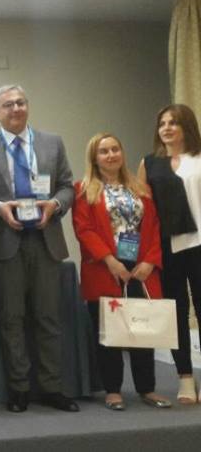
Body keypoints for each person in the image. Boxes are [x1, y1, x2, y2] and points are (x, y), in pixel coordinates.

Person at [0, 84, 78, 413]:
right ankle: (19, 388)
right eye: (8, 105)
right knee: (11, 319)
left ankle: (52, 387)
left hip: (46, 239)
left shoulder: (52, 142)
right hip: (6, 242)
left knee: (48, 318)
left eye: (20, 102)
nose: (16, 109)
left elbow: (67, 187)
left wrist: (54, 205)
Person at [74, 132, 171, 411]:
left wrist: (150, 261)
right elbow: (84, 229)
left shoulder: (141, 189)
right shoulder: (83, 190)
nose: (111, 155)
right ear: (94, 157)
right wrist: (110, 261)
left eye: (115, 149)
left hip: (141, 268)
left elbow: (154, 227)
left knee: (143, 329)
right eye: (104, 151)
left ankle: (147, 388)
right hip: (105, 267)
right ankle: (113, 390)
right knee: (109, 334)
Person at [137, 104, 201, 404]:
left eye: (173, 122)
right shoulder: (149, 163)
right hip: (167, 248)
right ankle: (185, 377)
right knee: (175, 313)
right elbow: (143, 211)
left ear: (187, 126)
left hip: (199, 244)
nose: (166, 128)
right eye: (162, 123)